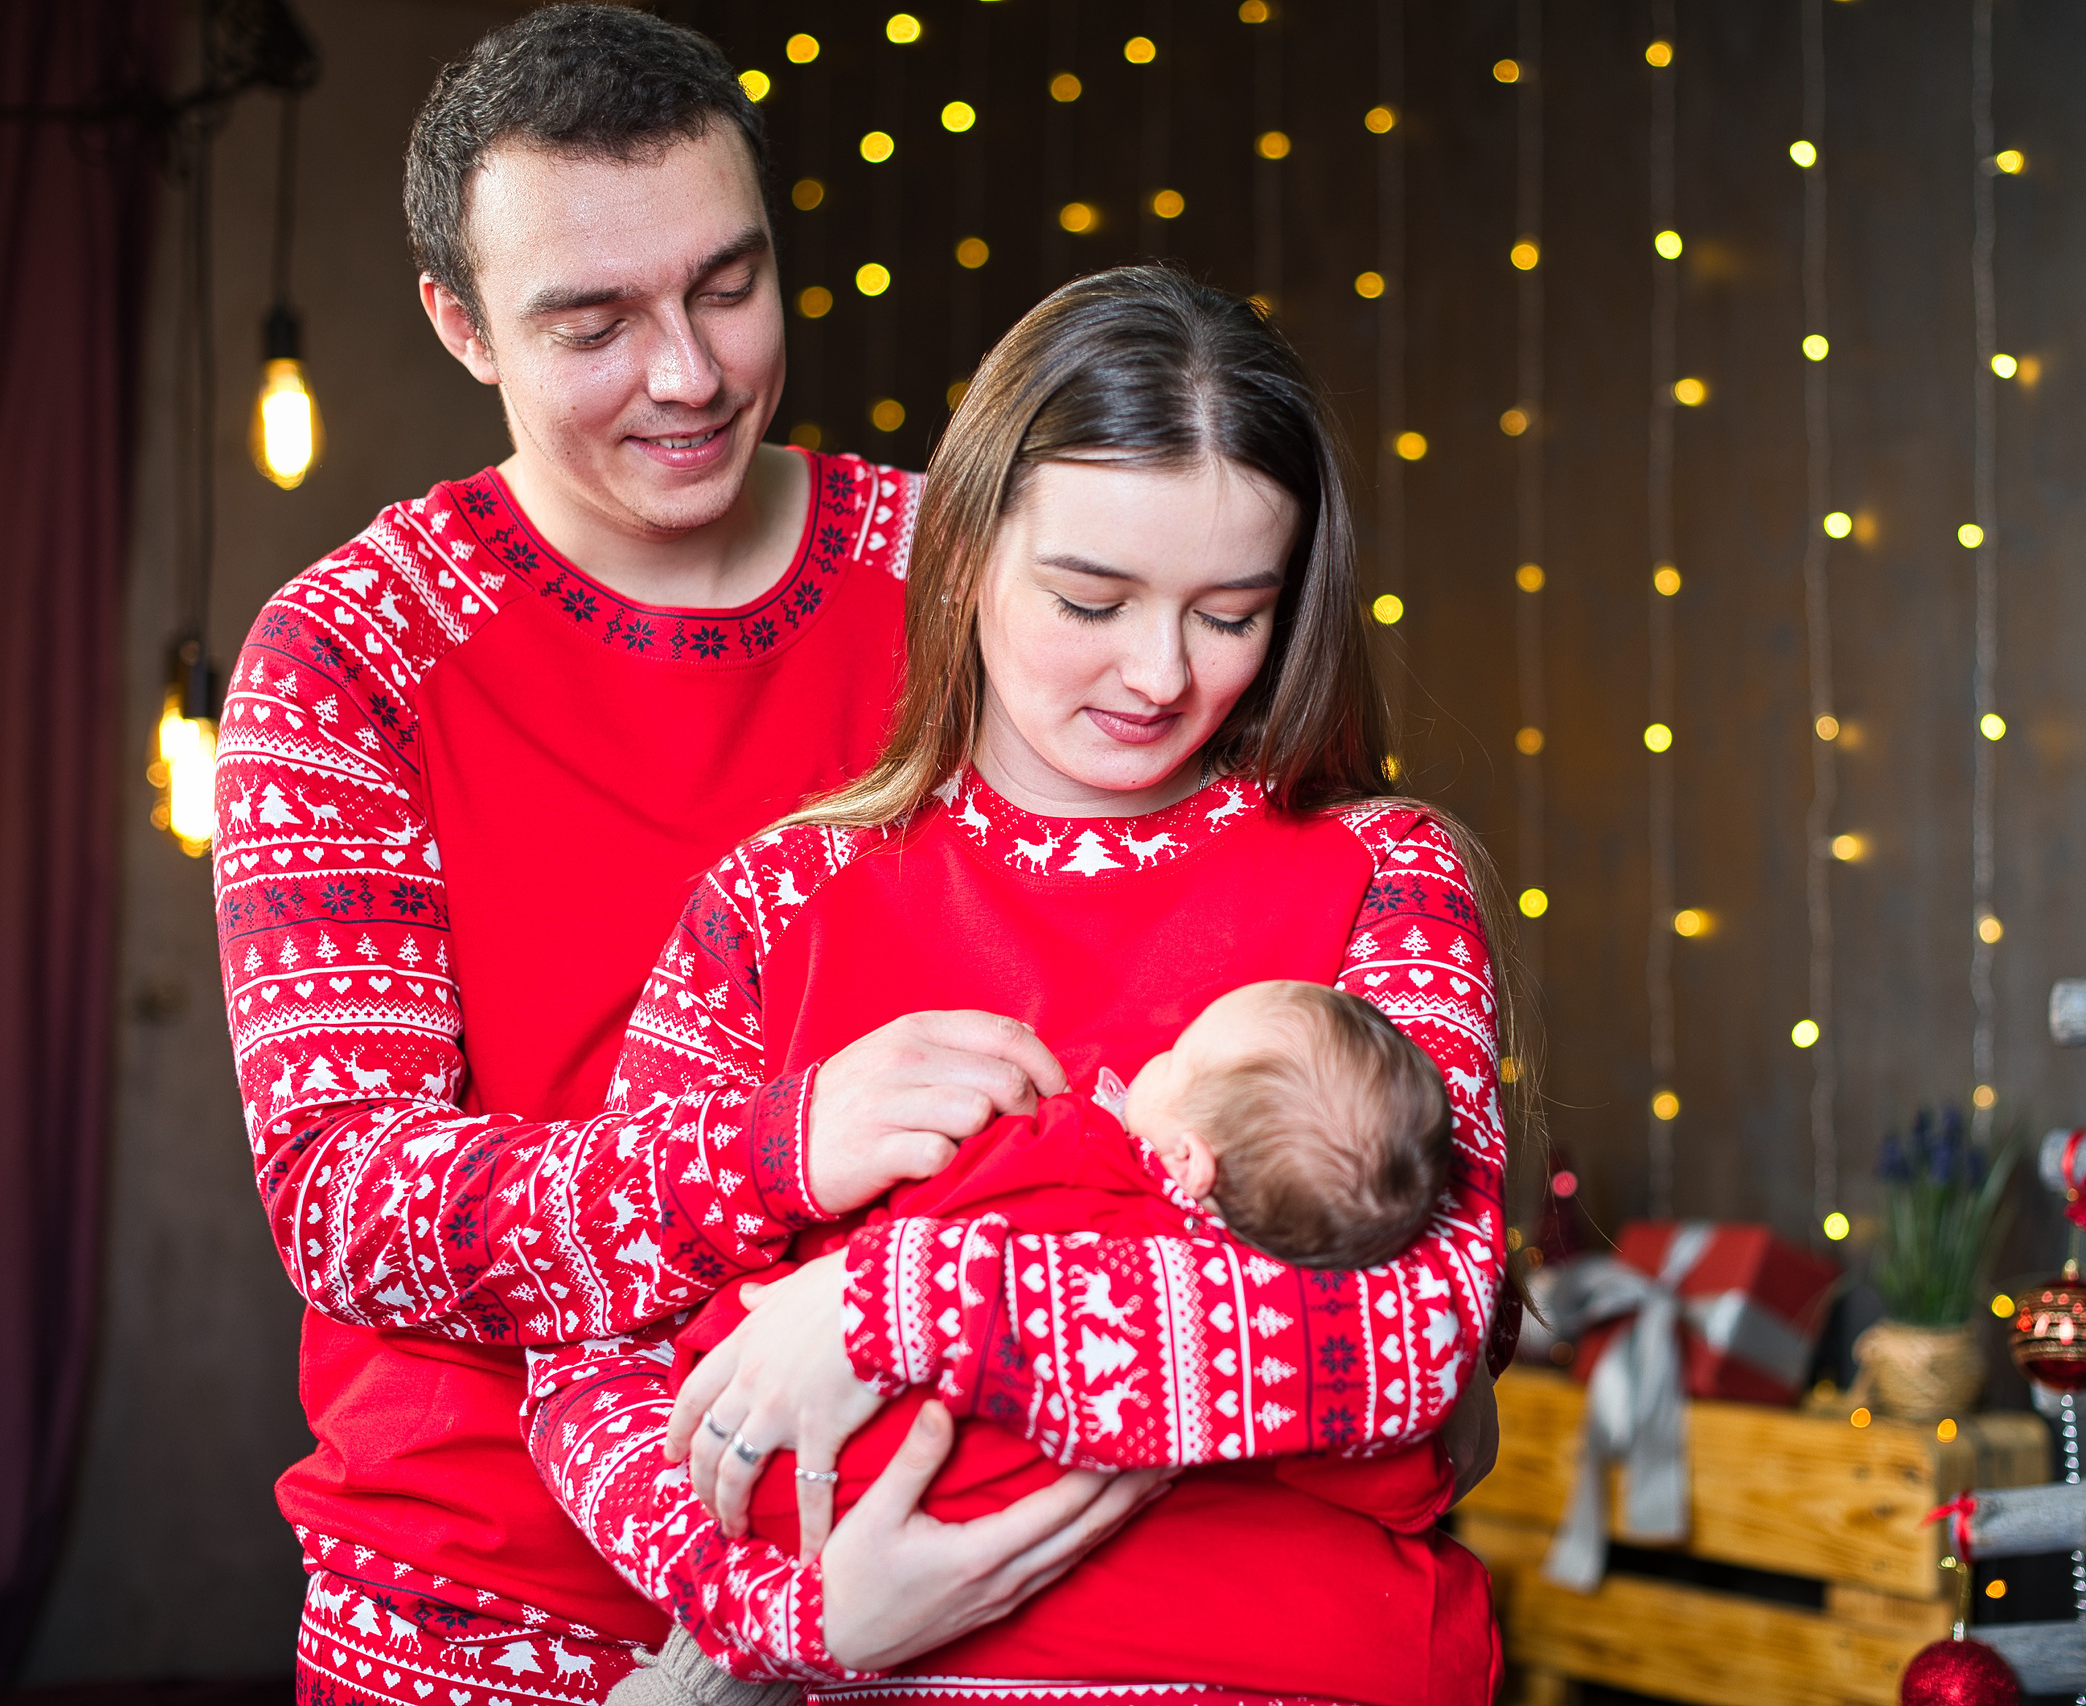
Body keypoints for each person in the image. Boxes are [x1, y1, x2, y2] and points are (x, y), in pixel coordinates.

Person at [216, 9, 1169, 1699]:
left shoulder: (967, 574)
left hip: (933, 1553)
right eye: (592, 323)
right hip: (479, 1606)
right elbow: (346, 1202)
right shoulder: (350, 653)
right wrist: (776, 1150)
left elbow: (1182, 964)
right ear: (460, 325)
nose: (689, 372)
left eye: (728, 286)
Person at [525, 265, 1516, 1702]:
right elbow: (592, 1355)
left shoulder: (1386, 876)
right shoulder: (772, 900)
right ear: (968, 547)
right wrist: (799, 1614)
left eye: (1231, 612)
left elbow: (1417, 1334)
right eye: (1090, 597)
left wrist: (894, 1305)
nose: (1159, 672)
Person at [605, 980, 1463, 1703]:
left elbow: (915, 1215)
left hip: (769, 1471)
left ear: (1194, 1162)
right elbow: (1406, 1481)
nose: (1154, 1060)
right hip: (902, 1536)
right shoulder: (1280, 1347)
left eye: (1180, 1058)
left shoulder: (1070, 1150)